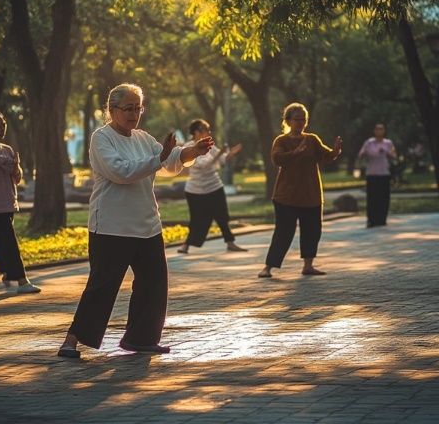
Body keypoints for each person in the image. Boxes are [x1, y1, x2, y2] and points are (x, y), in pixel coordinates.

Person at [58, 84, 213, 358]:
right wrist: (160, 157)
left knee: (154, 284)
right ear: (112, 109)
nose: (133, 114)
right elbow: (122, 172)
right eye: (127, 108)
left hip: (147, 225)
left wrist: (193, 151)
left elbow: (171, 160)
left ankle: (140, 339)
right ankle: (72, 340)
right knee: (102, 287)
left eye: (137, 108)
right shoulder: (101, 138)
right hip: (111, 226)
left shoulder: (143, 138)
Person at [258, 103, 342, 278]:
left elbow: (325, 155)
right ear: (288, 121)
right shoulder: (281, 141)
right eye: (297, 119)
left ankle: (308, 265)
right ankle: (268, 267)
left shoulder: (312, 139)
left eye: (304, 119)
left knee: (312, 230)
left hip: (311, 194)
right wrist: (295, 152)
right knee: (283, 232)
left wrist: (335, 151)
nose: (301, 123)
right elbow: (277, 159)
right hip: (286, 196)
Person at [0, 111, 41, 294]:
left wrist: (15, 167)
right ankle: (21, 280)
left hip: (6, 203)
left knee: (3, 243)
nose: (2, 128)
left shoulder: (7, 149)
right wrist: (14, 164)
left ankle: (8, 275)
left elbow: (16, 176)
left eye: (3, 124)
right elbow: (8, 165)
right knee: (6, 243)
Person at [177, 119, 247, 254]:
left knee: (222, 216)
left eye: (209, 130)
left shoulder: (210, 145)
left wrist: (230, 153)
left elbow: (221, 160)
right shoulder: (188, 147)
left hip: (214, 186)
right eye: (205, 129)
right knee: (196, 219)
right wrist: (220, 154)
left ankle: (230, 243)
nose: (209, 132)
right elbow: (202, 165)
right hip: (195, 190)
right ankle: (186, 245)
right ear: (196, 132)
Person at [358, 123, 397, 228]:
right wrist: (364, 153)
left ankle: (382, 219)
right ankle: (371, 220)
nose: (379, 131)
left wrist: (386, 151)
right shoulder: (369, 143)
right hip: (372, 174)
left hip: (384, 173)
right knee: (372, 198)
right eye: (377, 129)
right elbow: (361, 154)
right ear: (374, 131)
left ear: (384, 131)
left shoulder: (388, 143)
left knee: (384, 198)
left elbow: (394, 155)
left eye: (381, 129)